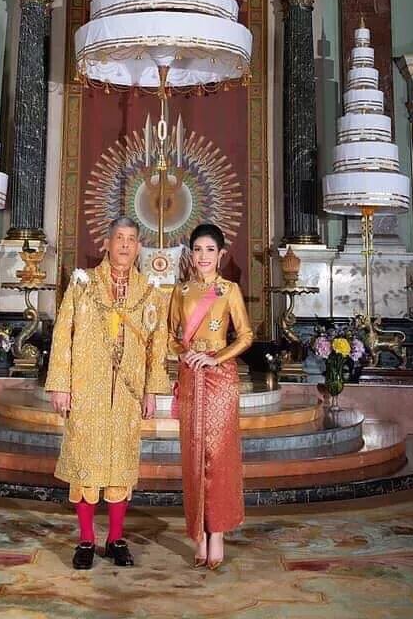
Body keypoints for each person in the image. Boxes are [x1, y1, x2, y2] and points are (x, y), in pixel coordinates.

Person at [45, 216, 169, 570]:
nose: (125, 245)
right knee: (85, 465)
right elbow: (63, 334)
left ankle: (116, 539)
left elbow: (157, 344)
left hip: (128, 392)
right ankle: (86, 539)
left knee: (121, 467)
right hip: (87, 388)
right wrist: (61, 384)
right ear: (108, 243)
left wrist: (151, 391)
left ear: (139, 246)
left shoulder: (150, 292)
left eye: (131, 239)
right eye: (119, 238)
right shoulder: (83, 283)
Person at [168, 223, 253, 569]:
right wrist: (184, 352)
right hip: (191, 377)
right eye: (197, 249)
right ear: (191, 254)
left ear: (221, 255)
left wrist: (216, 358)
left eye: (210, 250)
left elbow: (246, 336)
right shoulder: (181, 291)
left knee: (218, 455)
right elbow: (171, 335)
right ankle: (198, 532)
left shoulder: (229, 290)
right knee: (193, 455)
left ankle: (217, 532)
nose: (203, 256)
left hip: (220, 379)